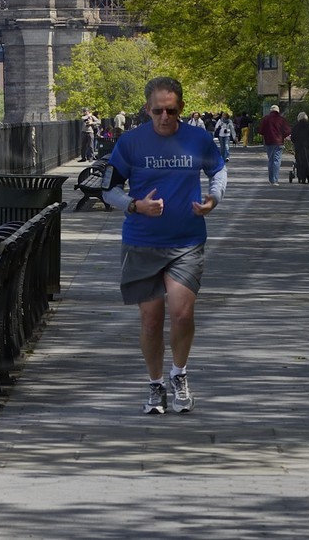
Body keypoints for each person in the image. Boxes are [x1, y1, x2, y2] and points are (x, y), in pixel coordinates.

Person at [101, 77, 227, 415]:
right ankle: (155, 384)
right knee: (151, 321)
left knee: (183, 313)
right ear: (147, 109)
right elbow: (107, 190)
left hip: (186, 239)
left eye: (171, 110)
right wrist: (134, 205)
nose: (164, 117)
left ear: (181, 108)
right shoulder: (130, 143)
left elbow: (218, 172)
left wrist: (213, 199)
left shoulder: (198, 138)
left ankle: (179, 374)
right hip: (142, 241)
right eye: (158, 111)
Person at [258, 104, 289, 184]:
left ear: (270, 111)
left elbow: (261, 130)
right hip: (279, 142)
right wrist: (283, 136)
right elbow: (287, 131)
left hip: (269, 142)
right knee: (276, 160)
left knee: (271, 160)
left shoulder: (265, 119)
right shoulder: (281, 119)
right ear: (278, 111)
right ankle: (275, 179)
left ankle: (271, 179)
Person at [289, 112, 309, 182]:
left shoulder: (295, 127)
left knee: (300, 161)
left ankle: (301, 176)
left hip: (299, 147)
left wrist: (296, 142)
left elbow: (292, 138)